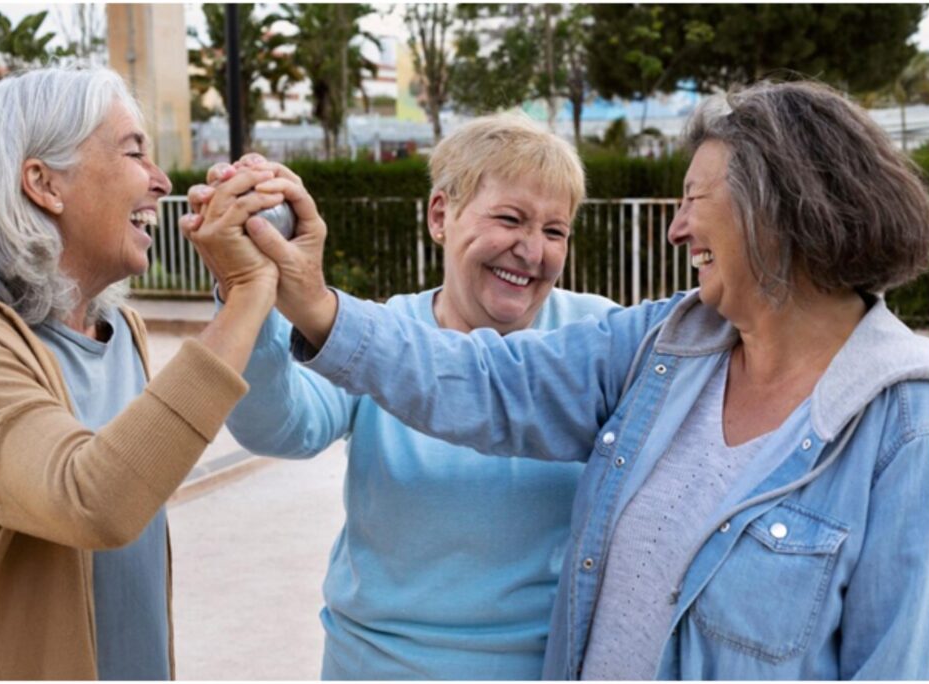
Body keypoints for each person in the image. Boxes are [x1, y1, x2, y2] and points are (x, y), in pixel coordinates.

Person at [246, 80, 929, 679]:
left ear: (780, 211)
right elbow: (487, 383)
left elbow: (896, 662)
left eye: (695, 198)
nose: (676, 228)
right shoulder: (663, 347)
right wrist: (307, 302)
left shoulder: (905, 424)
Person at [185, 114, 619, 679]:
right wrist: (245, 289)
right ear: (441, 215)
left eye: (555, 231)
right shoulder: (383, 333)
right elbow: (280, 427)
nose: (532, 251)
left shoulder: (597, 335)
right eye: (510, 219)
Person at [0, 66, 283, 680]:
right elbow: (94, 500)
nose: (163, 182)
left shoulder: (120, 336)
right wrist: (246, 295)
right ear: (43, 182)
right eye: (135, 151)